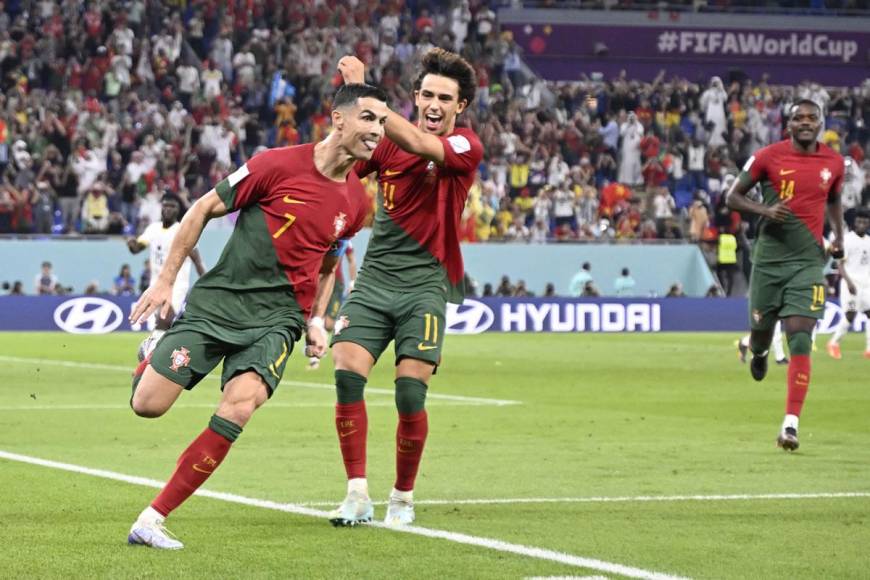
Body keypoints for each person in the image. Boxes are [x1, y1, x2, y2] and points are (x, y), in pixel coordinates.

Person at [124, 83, 389, 550]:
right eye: (369, 118)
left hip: (277, 321)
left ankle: (152, 518)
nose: (378, 130)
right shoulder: (275, 164)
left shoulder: (357, 203)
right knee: (147, 405)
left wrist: (316, 319)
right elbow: (204, 207)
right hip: (220, 302)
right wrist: (165, 280)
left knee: (241, 405)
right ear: (339, 119)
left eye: (384, 122)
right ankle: (152, 355)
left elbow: (328, 263)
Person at [328, 49, 482, 527]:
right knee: (347, 371)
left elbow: (419, 143)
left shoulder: (465, 146)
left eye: (445, 98)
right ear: (415, 96)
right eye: (428, 94)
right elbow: (343, 166)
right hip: (375, 279)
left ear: (461, 107)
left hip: (425, 284)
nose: (435, 104)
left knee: (409, 395)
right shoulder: (385, 142)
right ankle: (356, 493)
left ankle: (402, 497)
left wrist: (365, 94)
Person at [725, 99, 845, 452]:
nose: (806, 123)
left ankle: (790, 424)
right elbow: (733, 197)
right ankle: (759, 352)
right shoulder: (767, 157)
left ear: (820, 123)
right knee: (761, 334)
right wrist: (764, 209)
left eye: (812, 118)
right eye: (799, 118)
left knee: (800, 336)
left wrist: (837, 235)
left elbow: (834, 198)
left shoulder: (834, 162)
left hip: (809, 261)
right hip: (769, 261)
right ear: (788, 124)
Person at [126, 193, 207, 360]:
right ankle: (158, 357)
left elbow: (197, 261)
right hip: (155, 285)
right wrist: (131, 242)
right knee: (160, 323)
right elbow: (136, 249)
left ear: (178, 210)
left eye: (172, 206)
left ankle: (149, 359)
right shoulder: (153, 229)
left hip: (177, 284)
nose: (168, 209)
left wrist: (207, 281)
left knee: (164, 319)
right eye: (165, 205)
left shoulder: (183, 230)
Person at [826, 208, 870, 359]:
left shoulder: (869, 241)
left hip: (866, 284)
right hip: (850, 283)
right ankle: (834, 343)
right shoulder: (848, 240)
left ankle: (869, 349)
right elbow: (839, 264)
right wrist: (849, 282)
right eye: (859, 221)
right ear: (855, 223)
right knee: (850, 315)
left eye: (865, 221)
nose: (862, 224)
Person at [307, 240, 358, 370]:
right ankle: (314, 354)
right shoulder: (322, 236)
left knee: (329, 324)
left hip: (337, 284)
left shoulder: (345, 240)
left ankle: (318, 342)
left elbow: (351, 260)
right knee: (316, 316)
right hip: (320, 279)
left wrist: (352, 282)